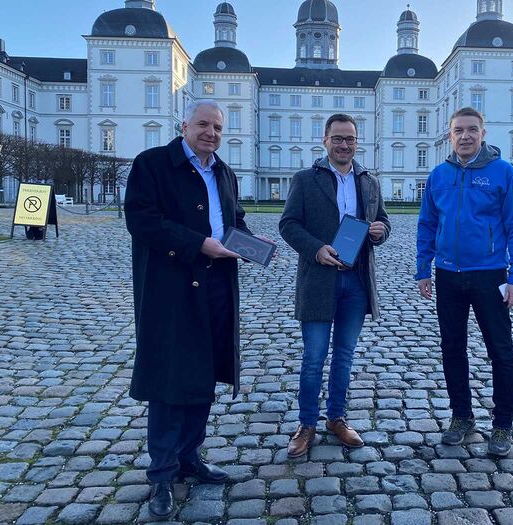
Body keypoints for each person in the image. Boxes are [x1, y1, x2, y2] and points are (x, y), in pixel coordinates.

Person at [124, 100, 256, 519]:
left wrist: (252, 246)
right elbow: (141, 220)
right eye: (203, 124)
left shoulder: (224, 171)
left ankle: (190, 457)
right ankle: (161, 473)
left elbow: (233, 218)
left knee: (203, 374)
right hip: (170, 289)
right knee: (168, 381)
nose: (211, 133)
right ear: (185, 125)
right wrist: (198, 243)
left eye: (218, 127)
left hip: (217, 283)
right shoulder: (153, 164)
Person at [415, 107, 513, 457]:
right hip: (448, 275)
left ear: (483, 133)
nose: (465, 136)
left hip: (489, 274)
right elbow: (427, 224)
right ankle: (462, 416)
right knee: (452, 348)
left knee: (501, 350)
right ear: (449, 136)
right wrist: (423, 269)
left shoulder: (502, 172)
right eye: (458, 131)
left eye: (471, 130)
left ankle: (503, 423)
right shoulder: (438, 175)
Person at [279, 113, 391, 458]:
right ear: (325, 140)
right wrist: (316, 248)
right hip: (319, 279)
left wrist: (380, 231)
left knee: (344, 357)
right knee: (314, 358)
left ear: (357, 143)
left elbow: (384, 220)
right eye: (338, 138)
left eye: (350, 139)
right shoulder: (305, 179)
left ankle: (337, 418)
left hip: (356, 281)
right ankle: (307, 423)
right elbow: (288, 224)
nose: (344, 145)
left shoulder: (369, 181)